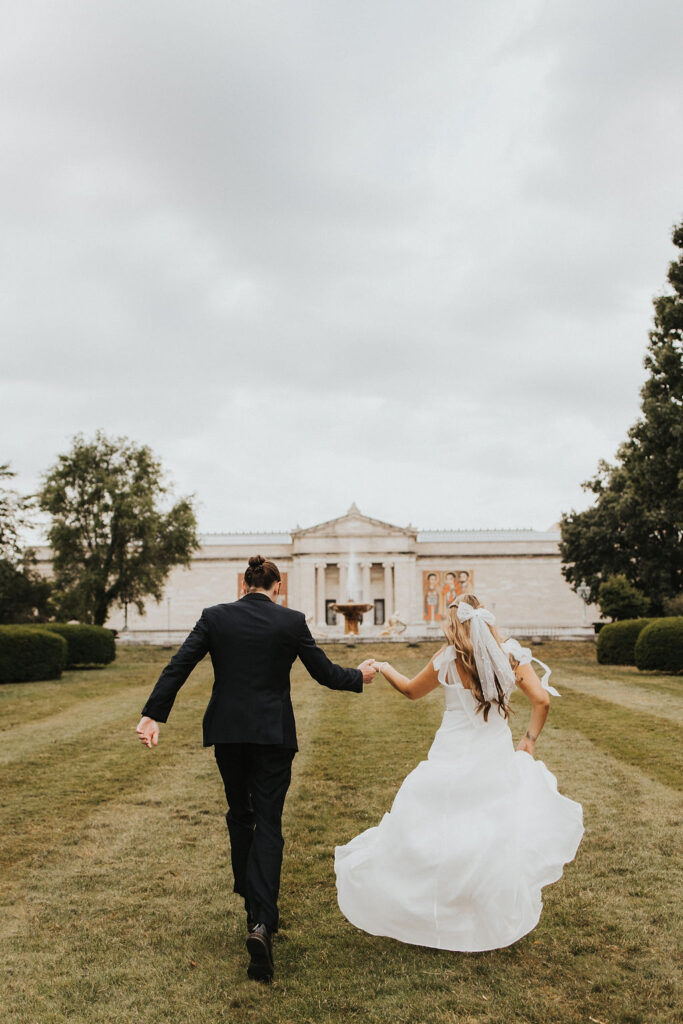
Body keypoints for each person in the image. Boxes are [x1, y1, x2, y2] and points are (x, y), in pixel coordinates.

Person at [136, 555, 377, 982]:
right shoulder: (291, 621)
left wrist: (153, 714)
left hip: (227, 734)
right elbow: (323, 674)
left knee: (240, 815)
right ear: (277, 587)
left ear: (244, 585)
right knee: (268, 823)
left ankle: (254, 904)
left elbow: (180, 664)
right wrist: (358, 676)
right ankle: (261, 922)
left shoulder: (214, 617)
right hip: (272, 735)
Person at [335, 593, 583, 952]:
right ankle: (478, 899)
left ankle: (436, 900)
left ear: (454, 624)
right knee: (489, 825)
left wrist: (385, 666)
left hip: (450, 754)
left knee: (439, 822)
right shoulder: (511, 654)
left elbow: (409, 691)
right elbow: (542, 700)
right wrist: (528, 740)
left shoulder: (447, 659)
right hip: (493, 755)